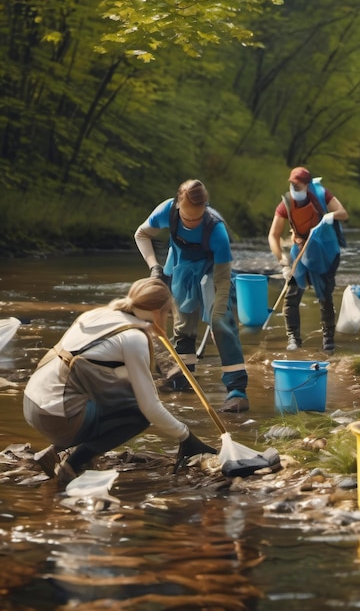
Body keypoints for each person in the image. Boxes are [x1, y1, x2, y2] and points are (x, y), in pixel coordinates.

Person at [23, 278, 217, 485]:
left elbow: (101, 372)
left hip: (32, 405)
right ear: (158, 312)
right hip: (56, 418)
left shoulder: (100, 315)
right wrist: (186, 437)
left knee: (115, 394)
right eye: (168, 313)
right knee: (138, 415)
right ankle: (73, 463)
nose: (167, 319)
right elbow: (150, 408)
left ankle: (55, 451)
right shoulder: (134, 338)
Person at [134, 179, 249, 413]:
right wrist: (154, 267)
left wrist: (218, 309)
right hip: (180, 268)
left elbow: (222, 277)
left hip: (212, 271)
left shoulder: (215, 228)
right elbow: (141, 234)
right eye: (187, 218)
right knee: (183, 324)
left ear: (204, 209)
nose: (192, 222)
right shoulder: (167, 210)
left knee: (220, 322)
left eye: (197, 218)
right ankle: (182, 379)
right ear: (177, 205)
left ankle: (237, 390)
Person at [268, 167, 349, 352]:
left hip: (326, 251)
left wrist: (331, 215)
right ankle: (293, 339)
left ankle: (328, 340)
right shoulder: (286, 204)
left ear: (307, 185)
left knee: (324, 294)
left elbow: (344, 213)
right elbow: (273, 235)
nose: (293, 187)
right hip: (300, 249)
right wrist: (283, 262)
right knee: (292, 294)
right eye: (291, 184)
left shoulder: (321, 194)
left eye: (297, 185)